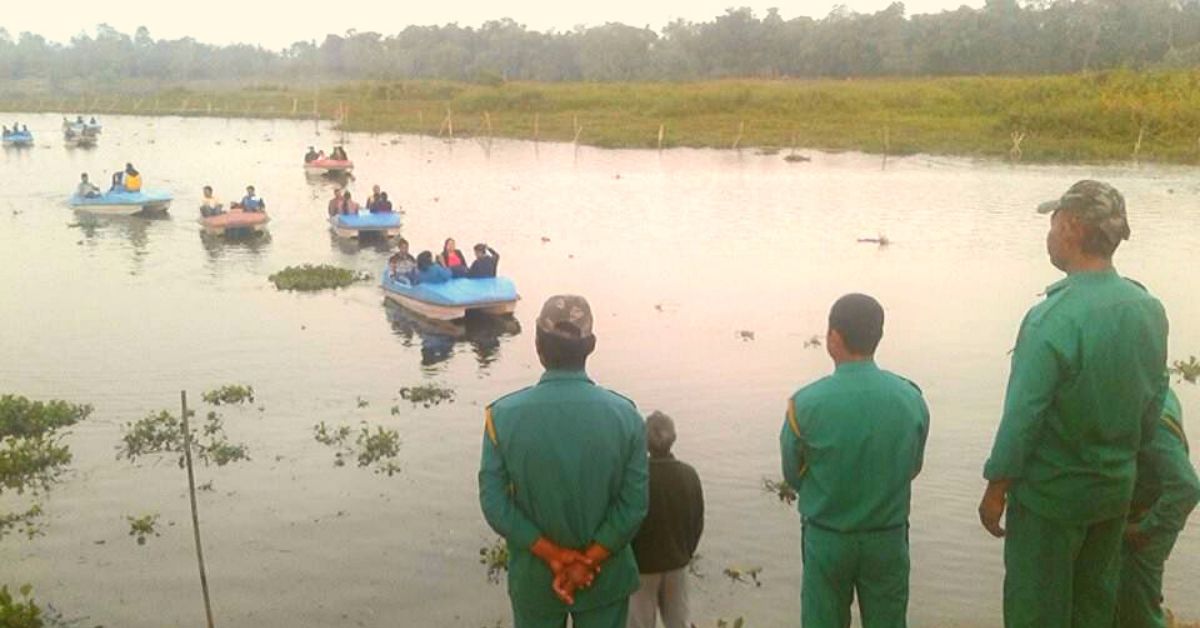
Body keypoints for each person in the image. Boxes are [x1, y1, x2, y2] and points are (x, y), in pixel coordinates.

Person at [979, 180, 1169, 628]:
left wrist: (996, 488)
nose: (1049, 233)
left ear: (1071, 227)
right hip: (1113, 492)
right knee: (1094, 609)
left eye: (1053, 222)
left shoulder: (1052, 318)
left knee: (1036, 612)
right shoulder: (1148, 309)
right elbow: (1152, 400)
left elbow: (1023, 417)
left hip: (1052, 501)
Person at [479, 294, 648, 628]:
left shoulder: (502, 417)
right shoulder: (626, 417)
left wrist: (553, 556)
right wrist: (589, 560)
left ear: (537, 344)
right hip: (605, 580)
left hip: (534, 581)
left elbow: (495, 504)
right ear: (591, 346)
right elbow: (633, 507)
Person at [780, 293, 929, 628]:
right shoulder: (911, 399)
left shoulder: (804, 404)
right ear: (879, 335)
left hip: (828, 538)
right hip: (887, 538)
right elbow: (913, 467)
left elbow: (793, 474)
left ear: (833, 337)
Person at [1114, 387, 1200, 628]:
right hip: (1138, 507)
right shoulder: (1154, 388)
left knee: (1136, 608)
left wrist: (1147, 528)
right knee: (1118, 600)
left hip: (1153, 514)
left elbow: (1187, 488)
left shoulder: (1154, 424)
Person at [627, 411, 703, 628]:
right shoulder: (689, 474)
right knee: (678, 622)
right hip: (677, 562)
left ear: (644, 441)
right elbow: (697, 521)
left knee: (640, 623)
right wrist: (686, 552)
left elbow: (629, 521)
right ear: (674, 438)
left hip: (643, 565)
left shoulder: (637, 476)